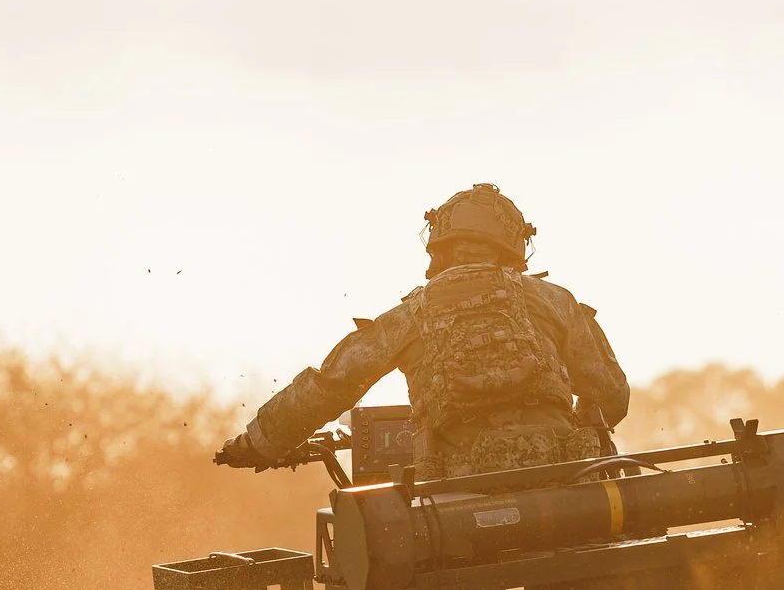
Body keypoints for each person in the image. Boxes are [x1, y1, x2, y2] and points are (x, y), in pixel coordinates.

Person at [216, 183, 630, 480]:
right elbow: (610, 394)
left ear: (440, 245)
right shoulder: (553, 300)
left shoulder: (410, 315)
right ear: (513, 243)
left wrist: (259, 442)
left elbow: (333, 385)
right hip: (561, 481)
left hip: (458, 494)